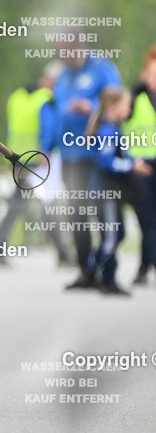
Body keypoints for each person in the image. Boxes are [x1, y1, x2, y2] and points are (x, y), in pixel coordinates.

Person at [53, 37, 122, 289]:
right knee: (76, 213)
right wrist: (48, 146)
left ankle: (107, 273)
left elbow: (117, 105)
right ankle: (86, 271)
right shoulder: (63, 75)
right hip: (69, 157)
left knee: (104, 214)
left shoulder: (103, 69)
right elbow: (57, 111)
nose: (64, 57)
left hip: (95, 157)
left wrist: (91, 107)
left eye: (67, 52)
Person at [0, 63, 73, 266]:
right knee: (48, 203)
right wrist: (47, 151)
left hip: (17, 157)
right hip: (38, 159)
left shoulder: (17, 96)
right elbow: (49, 127)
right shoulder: (46, 99)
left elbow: (10, 125)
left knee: (17, 204)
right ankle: (63, 254)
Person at [84, 86, 151, 296]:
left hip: (110, 193)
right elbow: (107, 162)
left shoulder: (114, 128)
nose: (129, 109)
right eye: (126, 105)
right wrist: (131, 167)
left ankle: (104, 277)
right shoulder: (107, 131)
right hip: (106, 193)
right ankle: (94, 271)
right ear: (112, 106)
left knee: (117, 234)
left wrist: (131, 160)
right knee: (112, 238)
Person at [124, 44, 156, 285]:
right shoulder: (134, 99)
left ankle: (146, 266)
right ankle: (146, 266)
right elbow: (115, 125)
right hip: (141, 165)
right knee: (147, 220)